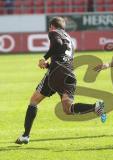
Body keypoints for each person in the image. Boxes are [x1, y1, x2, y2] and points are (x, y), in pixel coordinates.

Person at [15, 17, 106, 145]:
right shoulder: (68, 38)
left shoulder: (54, 32)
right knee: (67, 109)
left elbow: (57, 45)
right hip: (68, 74)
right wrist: (48, 65)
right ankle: (95, 107)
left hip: (56, 74)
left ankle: (25, 135)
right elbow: (62, 56)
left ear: (52, 26)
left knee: (34, 101)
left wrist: (44, 58)